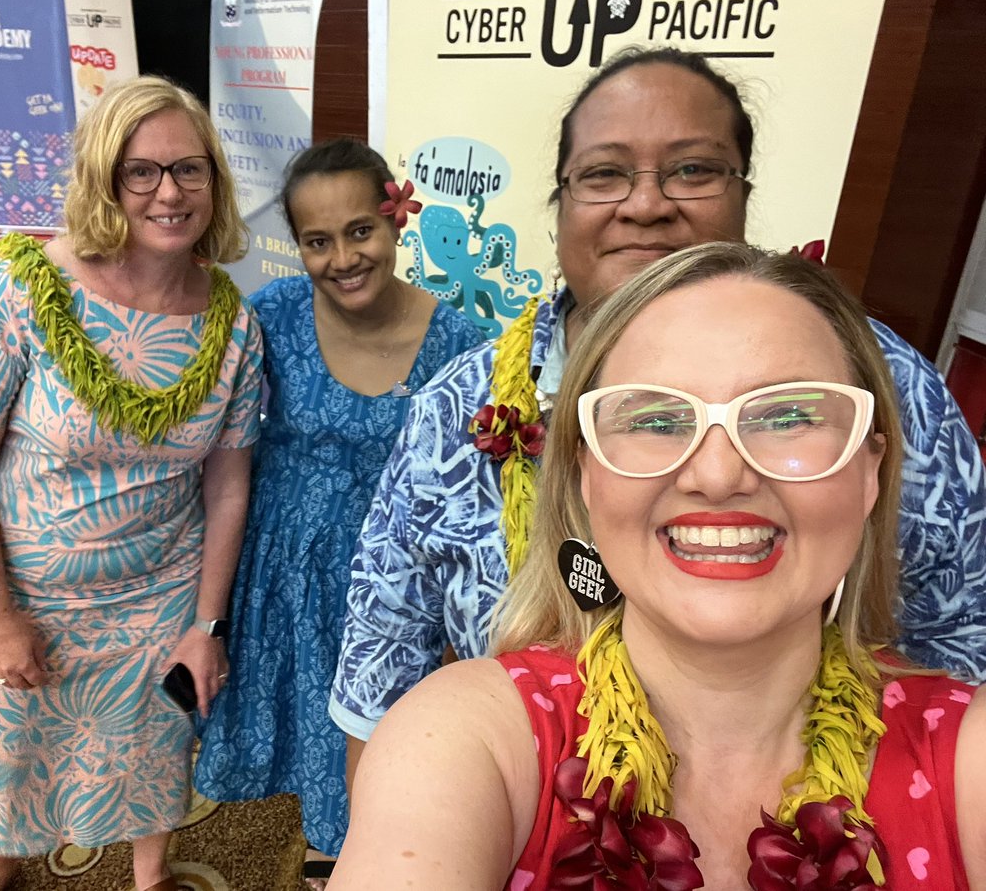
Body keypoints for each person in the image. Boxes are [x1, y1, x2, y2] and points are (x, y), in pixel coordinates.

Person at [330, 47, 986, 782]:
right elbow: (383, 648)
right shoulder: (460, 403)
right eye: (605, 174)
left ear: (744, 194)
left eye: (692, 169)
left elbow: (959, 629)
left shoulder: (873, 379)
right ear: (562, 204)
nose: (645, 204)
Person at [328, 242, 986, 890]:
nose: (719, 474)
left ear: (869, 471)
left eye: (788, 416)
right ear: (586, 474)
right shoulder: (469, 745)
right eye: (656, 419)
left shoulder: (967, 761)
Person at [0, 76, 262, 891]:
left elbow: (227, 488)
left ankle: (151, 874)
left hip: (161, 592)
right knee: (13, 750)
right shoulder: (17, 292)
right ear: (102, 180)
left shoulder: (233, 323)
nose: (168, 192)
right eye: (139, 172)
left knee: (154, 747)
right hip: (28, 593)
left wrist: (205, 625)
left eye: (190, 169)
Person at [193, 138, 482, 885]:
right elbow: (215, 438)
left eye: (361, 230)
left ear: (397, 221)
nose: (343, 257)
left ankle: (351, 859)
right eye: (317, 242)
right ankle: (330, 852)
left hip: (390, 591)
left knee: (384, 743)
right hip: (281, 579)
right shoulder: (269, 319)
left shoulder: (461, 347)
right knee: (303, 727)